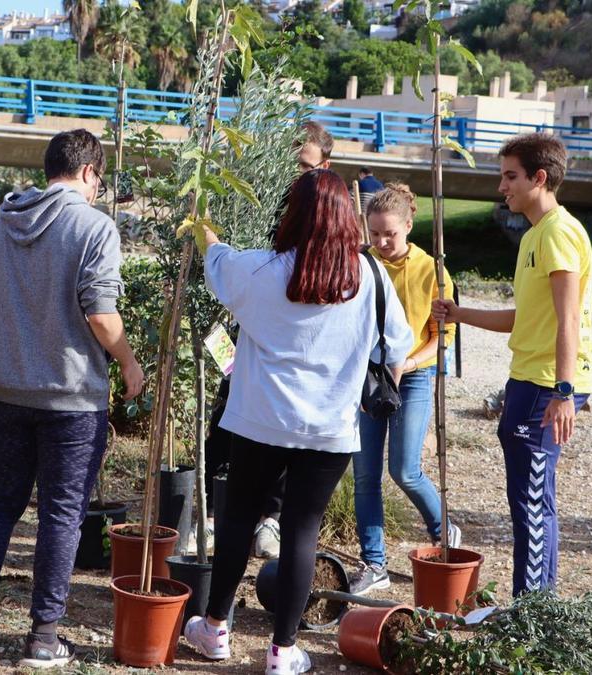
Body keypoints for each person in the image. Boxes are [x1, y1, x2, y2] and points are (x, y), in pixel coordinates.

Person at [182, 169, 413, 675]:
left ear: (292, 215)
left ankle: (214, 629)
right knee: (302, 533)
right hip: (330, 430)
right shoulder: (370, 277)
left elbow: (216, 260)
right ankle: (282, 653)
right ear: (348, 219)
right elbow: (396, 348)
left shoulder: (261, 269)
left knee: (238, 520)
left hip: (259, 422)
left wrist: (205, 228)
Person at [0, 129, 145, 669]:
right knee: (61, 515)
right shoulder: (94, 226)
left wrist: (10, 351)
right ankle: (43, 637)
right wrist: (129, 363)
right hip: (72, 398)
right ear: (89, 173)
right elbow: (101, 313)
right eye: (99, 180)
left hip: (7, 392)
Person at [433, 133, 592, 597]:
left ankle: (532, 609)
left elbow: (568, 320)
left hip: (547, 386)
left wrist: (564, 392)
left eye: (510, 176)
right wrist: (460, 314)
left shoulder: (558, 233)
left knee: (532, 504)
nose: (501, 187)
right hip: (528, 380)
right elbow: (528, 318)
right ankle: (534, 604)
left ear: (539, 178)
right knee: (528, 500)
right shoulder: (534, 236)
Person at [209, 119, 338, 559]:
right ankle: (215, 511)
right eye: (290, 164)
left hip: (292, 340)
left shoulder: (326, 217)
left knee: (283, 423)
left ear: (324, 167)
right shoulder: (261, 196)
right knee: (227, 406)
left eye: (304, 166)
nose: (294, 174)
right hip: (241, 326)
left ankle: (271, 518)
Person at [349, 183, 459, 596]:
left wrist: (407, 364)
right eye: (375, 233)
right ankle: (373, 562)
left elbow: (442, 338)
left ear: (409, 226)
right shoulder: (361, 263)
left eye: (389, 234)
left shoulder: (432, 270)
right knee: (365, 474)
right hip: (368, 376)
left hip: (412, 375)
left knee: (404, 469)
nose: (381, 242)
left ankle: (443, 529)